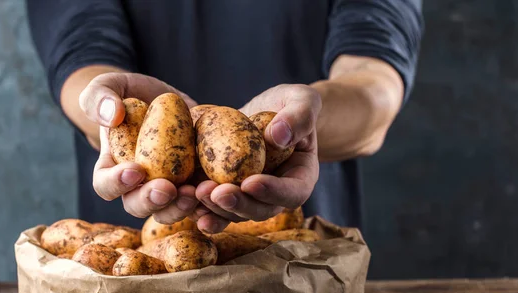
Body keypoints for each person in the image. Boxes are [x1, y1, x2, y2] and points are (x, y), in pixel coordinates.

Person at [26, 0, 423, 233]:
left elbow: (375, 76)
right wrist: (107, 108)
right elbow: (82, 52)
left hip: (298, 258)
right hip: (135, 267)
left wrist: (305, 118)